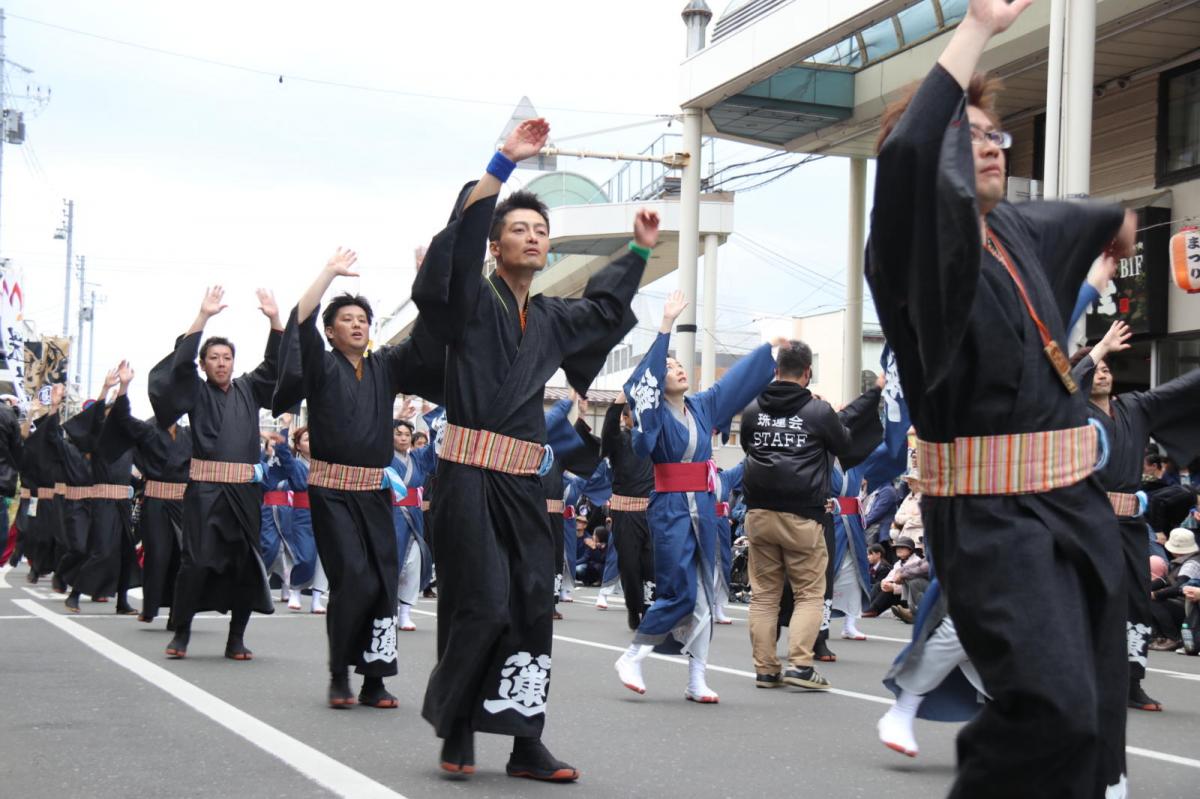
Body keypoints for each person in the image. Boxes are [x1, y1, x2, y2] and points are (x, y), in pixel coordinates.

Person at [865, 1, 1138, 794]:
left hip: (1070, 505)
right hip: (991, 517)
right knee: (1049, 707)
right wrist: (980, 25)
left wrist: (1118, 223)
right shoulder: (909, 244)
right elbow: (915, 150)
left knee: (1091, 720)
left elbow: (1088, 219)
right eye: (968, 137)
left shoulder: (1011, 229)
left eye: (994, 137)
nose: (986, 148)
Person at [413, 117, 651, 781]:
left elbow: (602, 314)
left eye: (541, 231)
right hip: (465, 478)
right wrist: (501, 164)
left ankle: (525, 742)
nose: (533, 236)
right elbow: (452, 255)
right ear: (494, 246)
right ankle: (456, 723)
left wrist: (635, 254)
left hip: (524, 486)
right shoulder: (469, 299)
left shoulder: (548, 316)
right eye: (519, 228)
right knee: (480, 601)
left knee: (529, 607)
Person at [273, 251, 440, 709]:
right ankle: (338, 672)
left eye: (363, 318)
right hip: (330, 492)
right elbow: (300, 318)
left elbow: (426, 336)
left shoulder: (385, 365)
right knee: (355, 579)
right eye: (346, 319)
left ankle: (374, 680)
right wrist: (327, 272)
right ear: (331, 331)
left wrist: (423, 278)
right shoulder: (320, 364)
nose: (357, 324)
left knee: (383, 583)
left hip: (374, 492)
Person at [614, 291, 776, 703]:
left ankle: (696, 678)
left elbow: (733, 385)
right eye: (669, 367)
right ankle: (633, 655)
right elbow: (643, 382)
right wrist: (665, 326)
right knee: (678, 591)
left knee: (705, 594)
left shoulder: (700, 407)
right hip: (670, 507)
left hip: (703, 507)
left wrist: (770, 350)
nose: (678, 369)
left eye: (681, 364)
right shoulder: (652, 413)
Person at [1071, 320, 1200, 711]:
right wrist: (1100, 348)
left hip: (1129, 524)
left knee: (1136, 602)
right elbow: (1065, 384)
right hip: (1085, 522)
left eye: (1108, 368)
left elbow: (1180, 390)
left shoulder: (1134, 407)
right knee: (1086, 597)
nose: (1103, 373)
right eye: (1096, 368)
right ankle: (1081, 677)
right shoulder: (1071, 412)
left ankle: (1132, 682)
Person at [149, 285, 283, 660]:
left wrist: (274, 317)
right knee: (196, 562)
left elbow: (275, 365)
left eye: (226, 357)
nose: (221, 363)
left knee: (245, 562)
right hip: (205, 491)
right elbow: (179, 365)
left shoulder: (250, 389)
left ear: (234, 362)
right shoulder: (195, 390)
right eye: (214, 358)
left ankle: (236, 638)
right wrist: (203, 316)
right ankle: (182, 633)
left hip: (244, 493)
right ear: (205, 364)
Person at [738, 339, 874, 689]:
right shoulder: (817, 411)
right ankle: (800, 665)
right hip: (803, 515)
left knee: (764, 594)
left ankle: (766, 669)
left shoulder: (753, 409)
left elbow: (747, 447)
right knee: (810, 593)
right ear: (808, 373)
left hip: (758, 513)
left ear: (776, 370)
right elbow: (845, 446)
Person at [101, 360, 191, 625]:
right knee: (158, 554)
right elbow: (122, 420)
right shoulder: (148, 430)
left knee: (183, 556)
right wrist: (124, 386)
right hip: (156, 501)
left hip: (184, 503)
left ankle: (178, 611)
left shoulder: (191, 434)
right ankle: (150, 607)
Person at [600, 393, 655, 630]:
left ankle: (651, 610)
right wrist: (620, 400)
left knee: (652, 565)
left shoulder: (653, 440)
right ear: (626, 418)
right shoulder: (618, 440)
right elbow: (608, 427)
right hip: (625, 513)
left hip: (652, 512)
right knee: (630, 566)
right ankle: (634, 609)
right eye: (634, 410)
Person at [271, 418, 327, 614]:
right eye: (306, 439)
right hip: (302, 514)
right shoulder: (295, 464)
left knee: (324, 557)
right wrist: (284, 429)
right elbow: (283, 454)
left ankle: (317, 599)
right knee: (305, 555)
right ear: (298, 445)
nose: (311, 442)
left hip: (326, 512)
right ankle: (295, 589)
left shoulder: (326, 464)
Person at [390, 413, 437, 632]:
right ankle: (387, 611)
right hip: (391, 516)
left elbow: (434, 451)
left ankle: (405, 612)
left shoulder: (417, 458)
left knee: (413, 563)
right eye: (398, 434)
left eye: (407, 434)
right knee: (393, 564)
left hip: (415, 518)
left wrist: (436, 429)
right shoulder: (383, 458)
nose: (403, 438)